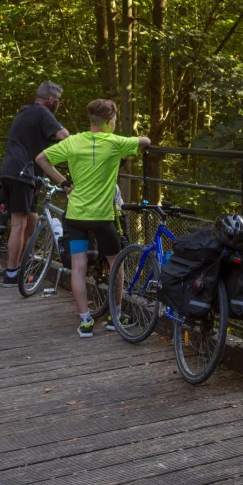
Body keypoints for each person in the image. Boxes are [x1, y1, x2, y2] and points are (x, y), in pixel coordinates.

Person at [36, 98, 151, 338]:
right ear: (110, 121)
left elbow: (41, 159)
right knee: (115, 262)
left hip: (76, 215)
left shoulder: (74, 142)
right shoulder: (116, 142)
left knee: (78, 268)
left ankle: (86, 321)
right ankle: (115, 316)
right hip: (102, 217)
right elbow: (146, 141)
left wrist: (64, 182)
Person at [0, 81, 69, 287]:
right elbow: (64, 136)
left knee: (32, 219)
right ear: (51, 100)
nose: (59, 105)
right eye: (58, 102)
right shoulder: (41, 112)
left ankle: (20, 265)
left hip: (15, 171)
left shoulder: (25, 111)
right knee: (19, 223)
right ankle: (11, 273)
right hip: (22, 173)